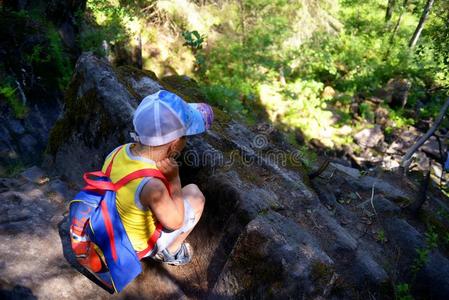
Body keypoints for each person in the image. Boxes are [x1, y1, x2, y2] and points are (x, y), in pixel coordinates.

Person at [100, 89, 214, 266]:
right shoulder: (153, 186)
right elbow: (176, 222)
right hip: (131, 247)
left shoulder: (118, 152)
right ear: (175, 143)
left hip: (109, 228)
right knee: (195, 195)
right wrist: (174, 181)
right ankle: (172, 251)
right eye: (185, 137)